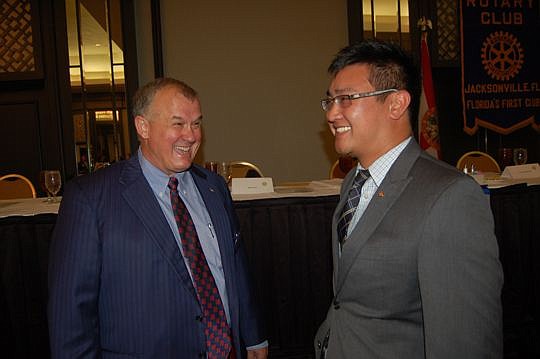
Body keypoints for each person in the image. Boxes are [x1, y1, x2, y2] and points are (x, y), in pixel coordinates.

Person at [48, 78, 267, 358]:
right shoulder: (91, 198)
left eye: (197, 123)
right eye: (178, 123)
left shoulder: (213, 187)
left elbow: (235, 268)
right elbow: (70, 313)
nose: (191, 136)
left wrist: (253, 337)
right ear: (143, 127)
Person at [314, 40, 503, 358]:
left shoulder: (450, 198)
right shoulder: (353, 182)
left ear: (396, 104)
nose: (332, 114)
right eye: (330, 101)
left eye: (346, 99)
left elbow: (465, 343)